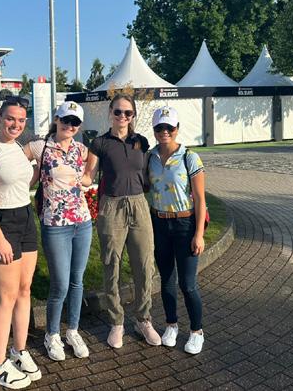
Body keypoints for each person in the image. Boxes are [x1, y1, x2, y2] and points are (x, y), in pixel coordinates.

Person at [0, 96, 41, 389]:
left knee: (25, 290)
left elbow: (22, 183)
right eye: (10, 118)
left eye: (21, 120)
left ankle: (19, 351)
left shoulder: (17, 148)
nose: (16, 124)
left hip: (25, 218)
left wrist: (40, 167)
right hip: (3, 223)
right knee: (7, 297)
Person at [84, 93, 161, 348]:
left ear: (133, 115)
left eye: (128, 113)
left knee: (144, 265)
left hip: (139, 205)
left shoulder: (141, 142)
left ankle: (143, 319)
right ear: (110, 113)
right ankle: (116, 321)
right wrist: (65, 175)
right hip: (112, 205)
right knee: (111, 264)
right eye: (118, 111)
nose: (122, 116)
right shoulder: (100, 143)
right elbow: (89, 175)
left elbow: (150, 173)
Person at [23, 101, 92, 361]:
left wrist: (88, 177)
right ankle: (52, 334)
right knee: (60, 283)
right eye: (65, 120)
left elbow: (91, 168)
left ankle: (72, 330)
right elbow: (13, 160)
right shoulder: (40, 147)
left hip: (82, 221)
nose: (69, 126)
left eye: (75, 122)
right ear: (56, 119)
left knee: (77, 281)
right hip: (55, 224)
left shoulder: (81, 149)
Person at [147, 106, 206, 354]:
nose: (165, 131)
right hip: (159, 223)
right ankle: (171, 325)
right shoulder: (149, 157)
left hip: (184, 224)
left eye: (169, 127)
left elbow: (200, 199)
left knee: (188, 284)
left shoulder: (189, 157)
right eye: (160, 127)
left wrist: (199, 234)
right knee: (167, 280)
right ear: (154, 130)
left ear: (177, 128)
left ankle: (196, 331)